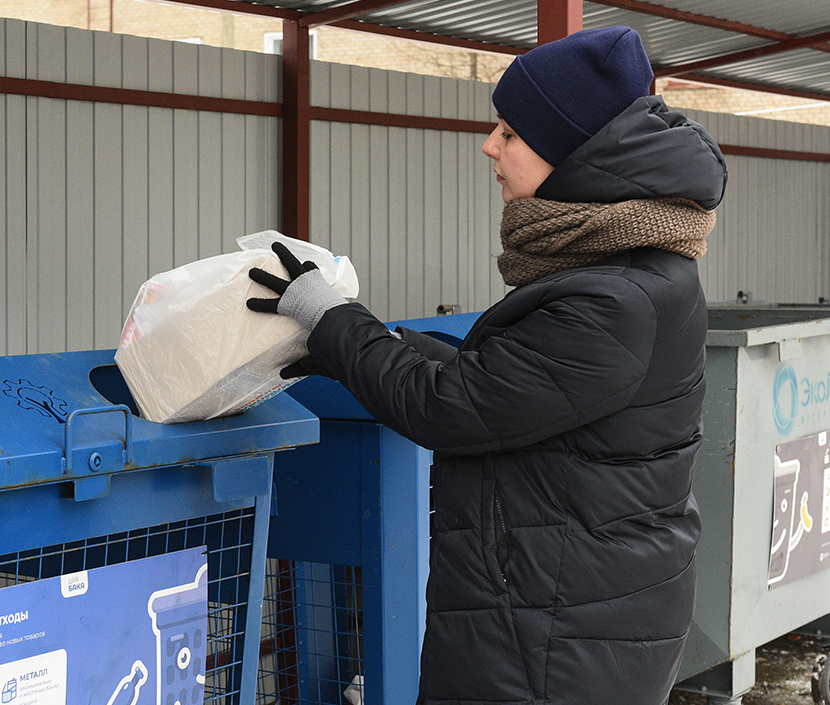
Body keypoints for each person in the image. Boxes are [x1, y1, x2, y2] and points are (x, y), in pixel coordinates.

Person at [247, 26, 727, 705]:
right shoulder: (626, 265)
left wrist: (331, 318)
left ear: (570, 151)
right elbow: (504, 381)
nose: (488, 147)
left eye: (508, 132)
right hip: (565, 603)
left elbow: (450, 407)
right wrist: (367, 342)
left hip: (556, 634)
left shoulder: (615, 298)